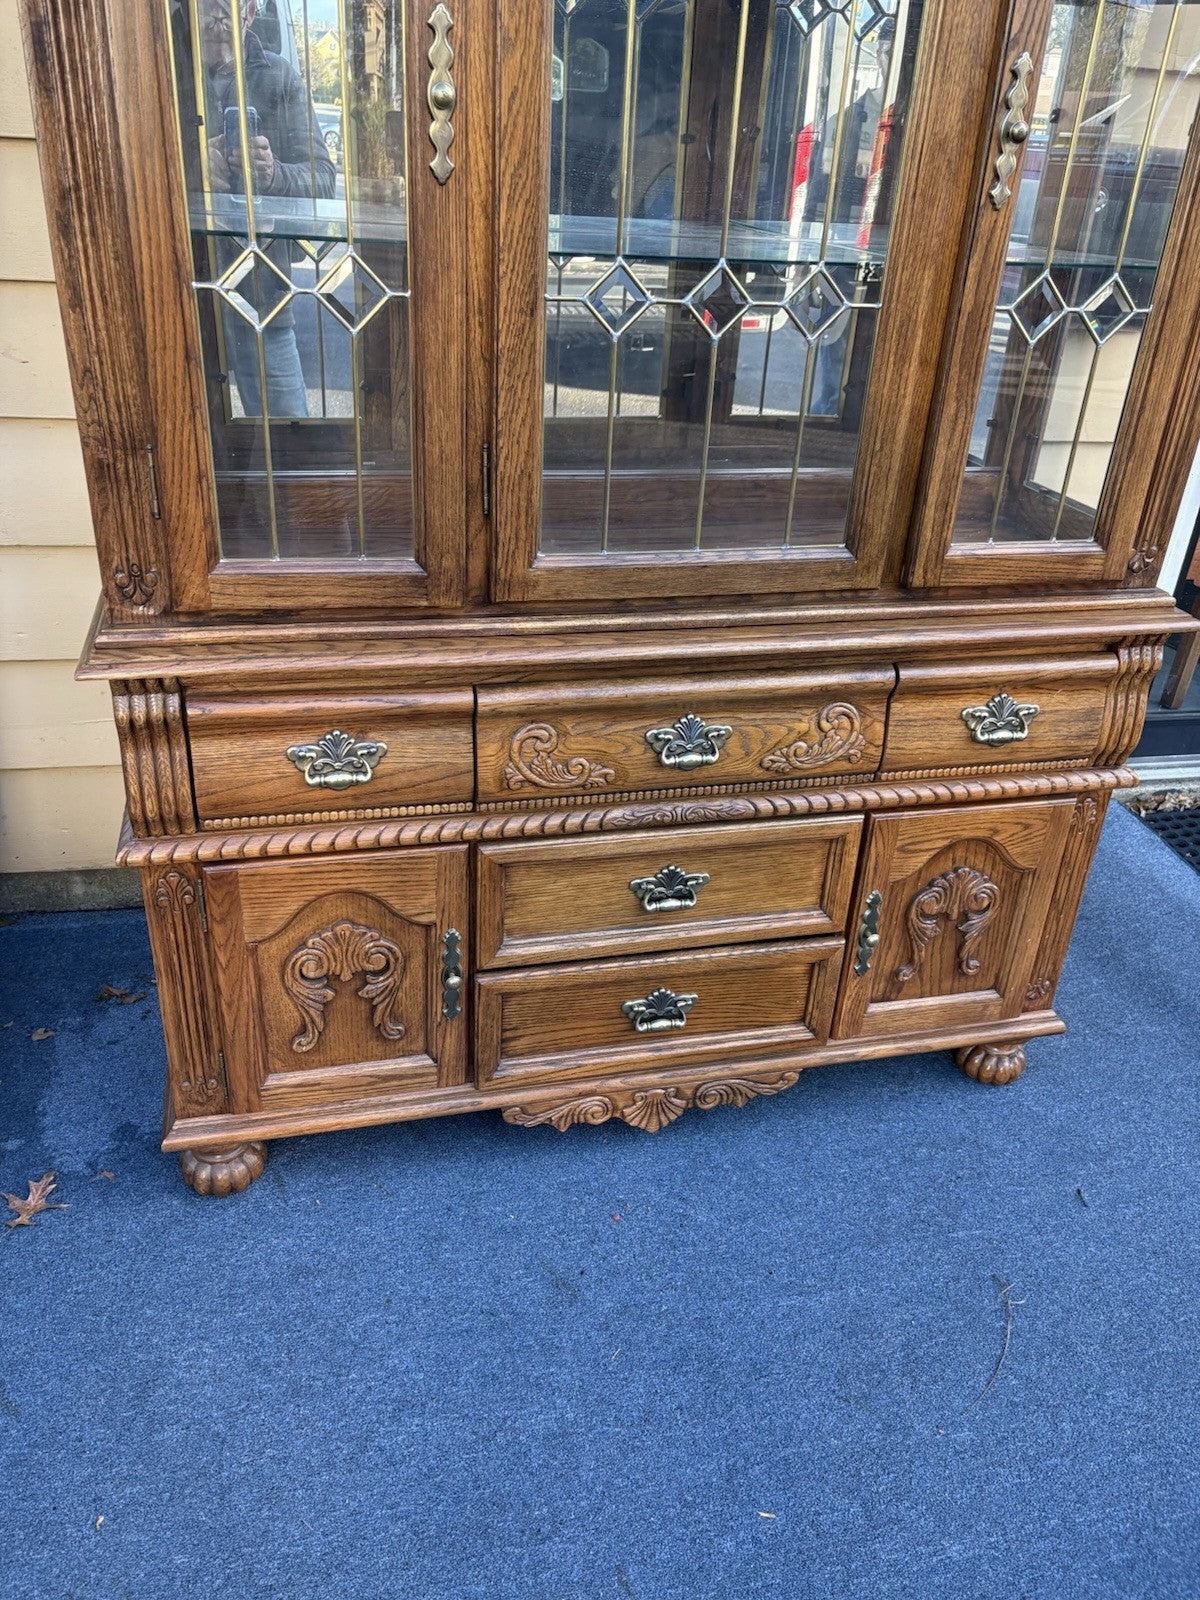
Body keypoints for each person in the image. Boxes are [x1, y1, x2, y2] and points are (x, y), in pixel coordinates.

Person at [198, 0, 336, 419]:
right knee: (191, 450)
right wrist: (194, 166)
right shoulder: (168, 72)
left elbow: (323, 179)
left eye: (229, 11)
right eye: (209, 10)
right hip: (186, 298)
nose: (218, 24)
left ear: (251, 12)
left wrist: (273, 174)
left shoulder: (280, 75)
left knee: (289, 439)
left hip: (263, 298)